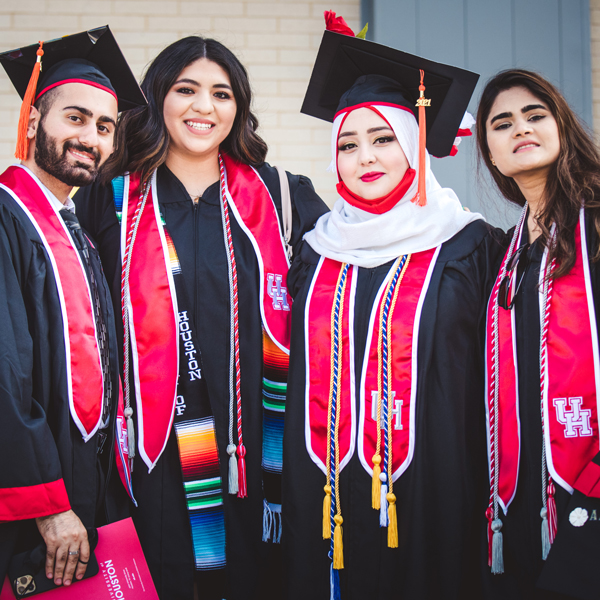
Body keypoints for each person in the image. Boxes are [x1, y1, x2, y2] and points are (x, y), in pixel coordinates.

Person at [74, 35, 327, 600]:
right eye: (186, 89)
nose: (204, 107)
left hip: (254, 448)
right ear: (157, 96)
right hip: (148, 446)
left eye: (222, 93)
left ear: (239, 107)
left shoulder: (284, 197)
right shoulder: (108, 198)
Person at [281, 17, 505, 600]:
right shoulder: (314, 247)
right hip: (325, 489)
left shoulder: (468, 244)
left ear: (413, 145)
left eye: (384, 140)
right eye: (349, 145)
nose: (366, 158)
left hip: (433, 484)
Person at [0, 27, 146, 589]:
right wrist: (47, 505)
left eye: (104, 127)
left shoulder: (76, 231)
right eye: (75, 118)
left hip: (84, 489)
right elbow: (4, 373)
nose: (90, 137)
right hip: (34, 511)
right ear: (34, 121)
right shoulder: (9, 221)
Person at [477, 69, 600, 600]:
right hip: (521, 502)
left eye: (534, 115)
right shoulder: (506, 254)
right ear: (492, 154)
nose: (519, 128)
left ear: (561, 126)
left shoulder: (593, 225)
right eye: (502, 123)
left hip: (588, 490)